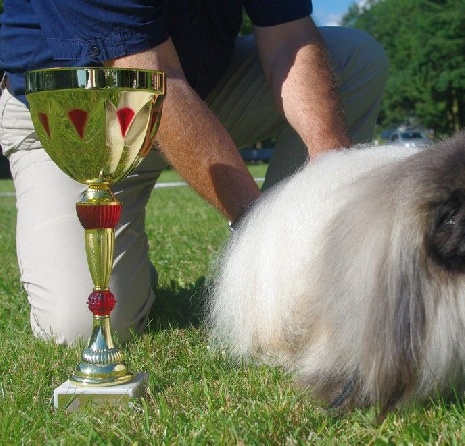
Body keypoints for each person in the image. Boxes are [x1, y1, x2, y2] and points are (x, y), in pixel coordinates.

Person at [0, 1, 389, 345]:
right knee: (83, 326)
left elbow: (289, 38)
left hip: (204, 90)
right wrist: (264, 235)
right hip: (75, 121)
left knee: (356, 57)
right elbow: (152, 76)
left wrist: (331, 169)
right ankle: (261, 264)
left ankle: (312, 256)